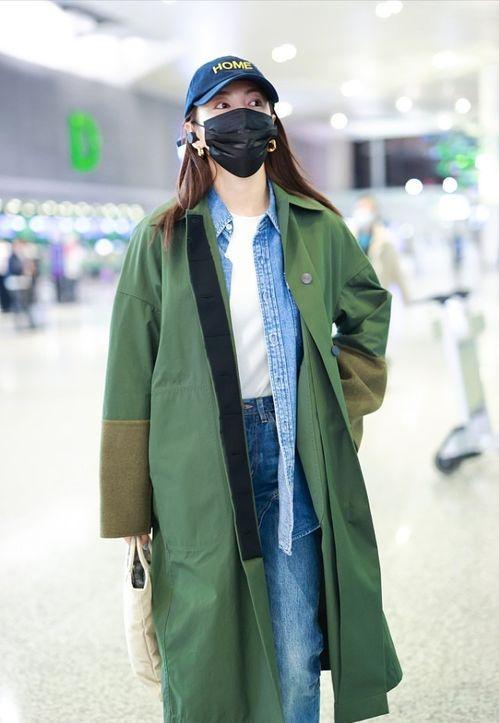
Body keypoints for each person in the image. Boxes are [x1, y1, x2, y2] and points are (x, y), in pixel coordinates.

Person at [99, 56, 403, 723]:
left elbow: (368, 315)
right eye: (221, 105)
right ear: (193, 128)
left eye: (255, 104)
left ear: (272, 125)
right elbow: (129, 371)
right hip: (195, 466)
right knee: (204, 648)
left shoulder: (316, 228)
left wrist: (336, 404)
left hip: (293, 462)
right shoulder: (161, 238)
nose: (240, 115)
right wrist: (128, 509)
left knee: (295, 650)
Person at [350, 193, 411, 305]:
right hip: (352, 298)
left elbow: (397, 272)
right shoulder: (347, 235)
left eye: (366, 208)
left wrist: (407, 301)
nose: (362, 211)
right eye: (360, 207)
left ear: (375, 211)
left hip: (376, 297)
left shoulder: (386, 239)